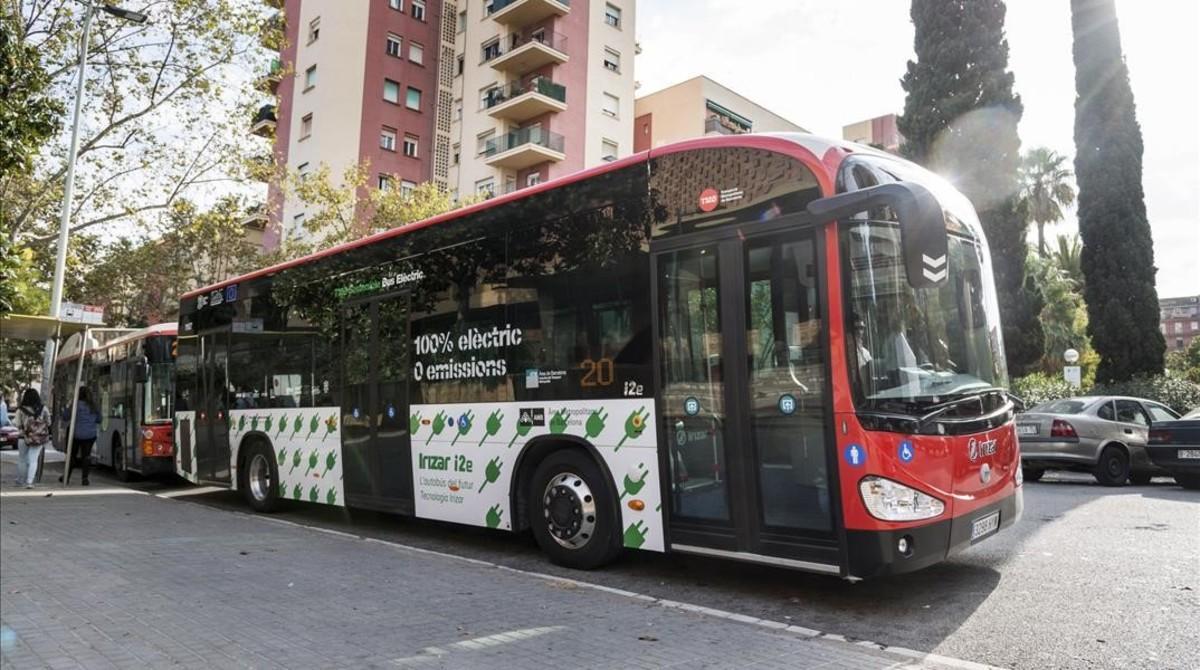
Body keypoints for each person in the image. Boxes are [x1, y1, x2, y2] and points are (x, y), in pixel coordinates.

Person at [61, 387, 100, 486]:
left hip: (76, 434)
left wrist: (66, 407)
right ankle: (85, 479)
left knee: (72, 456)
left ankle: (66, 476)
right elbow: (99, 419)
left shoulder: (75, 405)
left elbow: (65, 417)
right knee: (86, 456)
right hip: (90, 434)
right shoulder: (94, 406)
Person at [14, 389, 52, 489]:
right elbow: (49, 422)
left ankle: (20, 480)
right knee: (33, 460)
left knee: (22, 459)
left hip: (23, 437)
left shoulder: (20, 410)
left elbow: (17, 424)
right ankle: (29, 482)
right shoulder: (44, 409)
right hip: (38, 438)